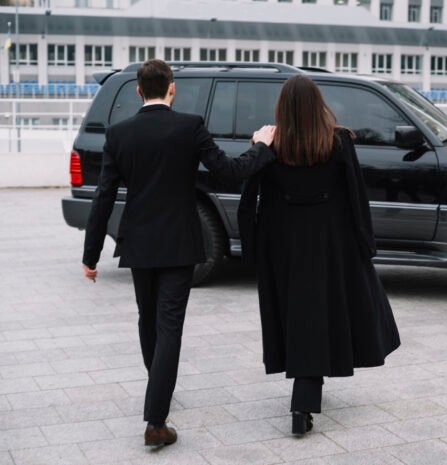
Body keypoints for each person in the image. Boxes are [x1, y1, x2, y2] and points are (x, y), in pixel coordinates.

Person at [81, 59, 276, 446]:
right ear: (172, 88)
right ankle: (156, 419)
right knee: (169, 324)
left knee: (148, 320)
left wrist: (91, 255)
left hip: (138, 243)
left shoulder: (119, 134)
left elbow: (103, 197)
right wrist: (261, 148)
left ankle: (158, 389)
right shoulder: (189, 127)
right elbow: (229, 172)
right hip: (180, 243)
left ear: (138, 91)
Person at [238, 74, 401, 435]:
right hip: (330, 244)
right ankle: (303, 404)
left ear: (283, 107)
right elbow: (356, 196)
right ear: (318, 103)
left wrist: (251, 250)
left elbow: (249, 198)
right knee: (320, 316)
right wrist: (364, 244)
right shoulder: (338, 140)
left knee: (297, 317)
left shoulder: (271, 143)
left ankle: (305, 399)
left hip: (282, 246)